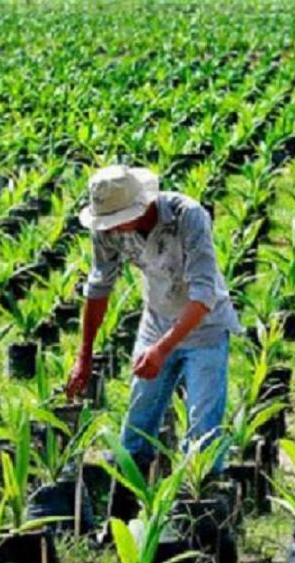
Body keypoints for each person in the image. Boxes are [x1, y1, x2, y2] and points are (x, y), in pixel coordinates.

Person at [65, 164, 240, 518]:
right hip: (156, 321)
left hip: (205, 327)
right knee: (138, 422)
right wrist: (84, 356)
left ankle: (198, 523)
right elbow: (99, 287)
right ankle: (125, 519)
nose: (111, 228)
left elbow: (204, 294)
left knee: (203, 433)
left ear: (141, 206)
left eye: (117, 220)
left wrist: (163, 349)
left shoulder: (187, 216)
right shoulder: (108, 229)